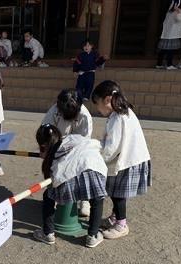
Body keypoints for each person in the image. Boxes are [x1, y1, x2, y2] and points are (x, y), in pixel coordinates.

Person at [91, 80, 151, 240]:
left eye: (97, 104)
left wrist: (98, 160)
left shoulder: (118, 118)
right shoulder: (123, 112)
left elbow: (112, 147)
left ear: (107, 100)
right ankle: (114, 218)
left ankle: (121, 225)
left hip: (128, 162)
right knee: (116, 192)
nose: (97, 109)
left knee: (117, 195)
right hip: (130, 159)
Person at [32, 125, 108, 248]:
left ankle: (47, 233)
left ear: (43, 145)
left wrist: (45, 155)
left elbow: (53, 178)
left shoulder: (53, 155)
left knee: (48, 195)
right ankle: (92, 236)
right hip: (94, 170)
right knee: (97, 200)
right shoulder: (73, 138)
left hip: (69, 179)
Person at [42, 89, 94, 218]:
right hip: (57, 145)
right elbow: (46, 130)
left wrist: (70, 154)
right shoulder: (54, 110)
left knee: (81, 171)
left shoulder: (84, 116)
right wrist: (45, 149)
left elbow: (83, 141)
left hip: (78, 148)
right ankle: (53, 196)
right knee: (54, 170)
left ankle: (84, 201)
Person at [156, 1, 181, 70]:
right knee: (170, 50)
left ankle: (159, 64)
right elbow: (180, 18)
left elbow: (180, 12)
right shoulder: (176, 12)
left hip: (167, 34)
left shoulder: (169, 12)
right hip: (172, 34)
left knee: (163, 49)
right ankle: (169, 64)